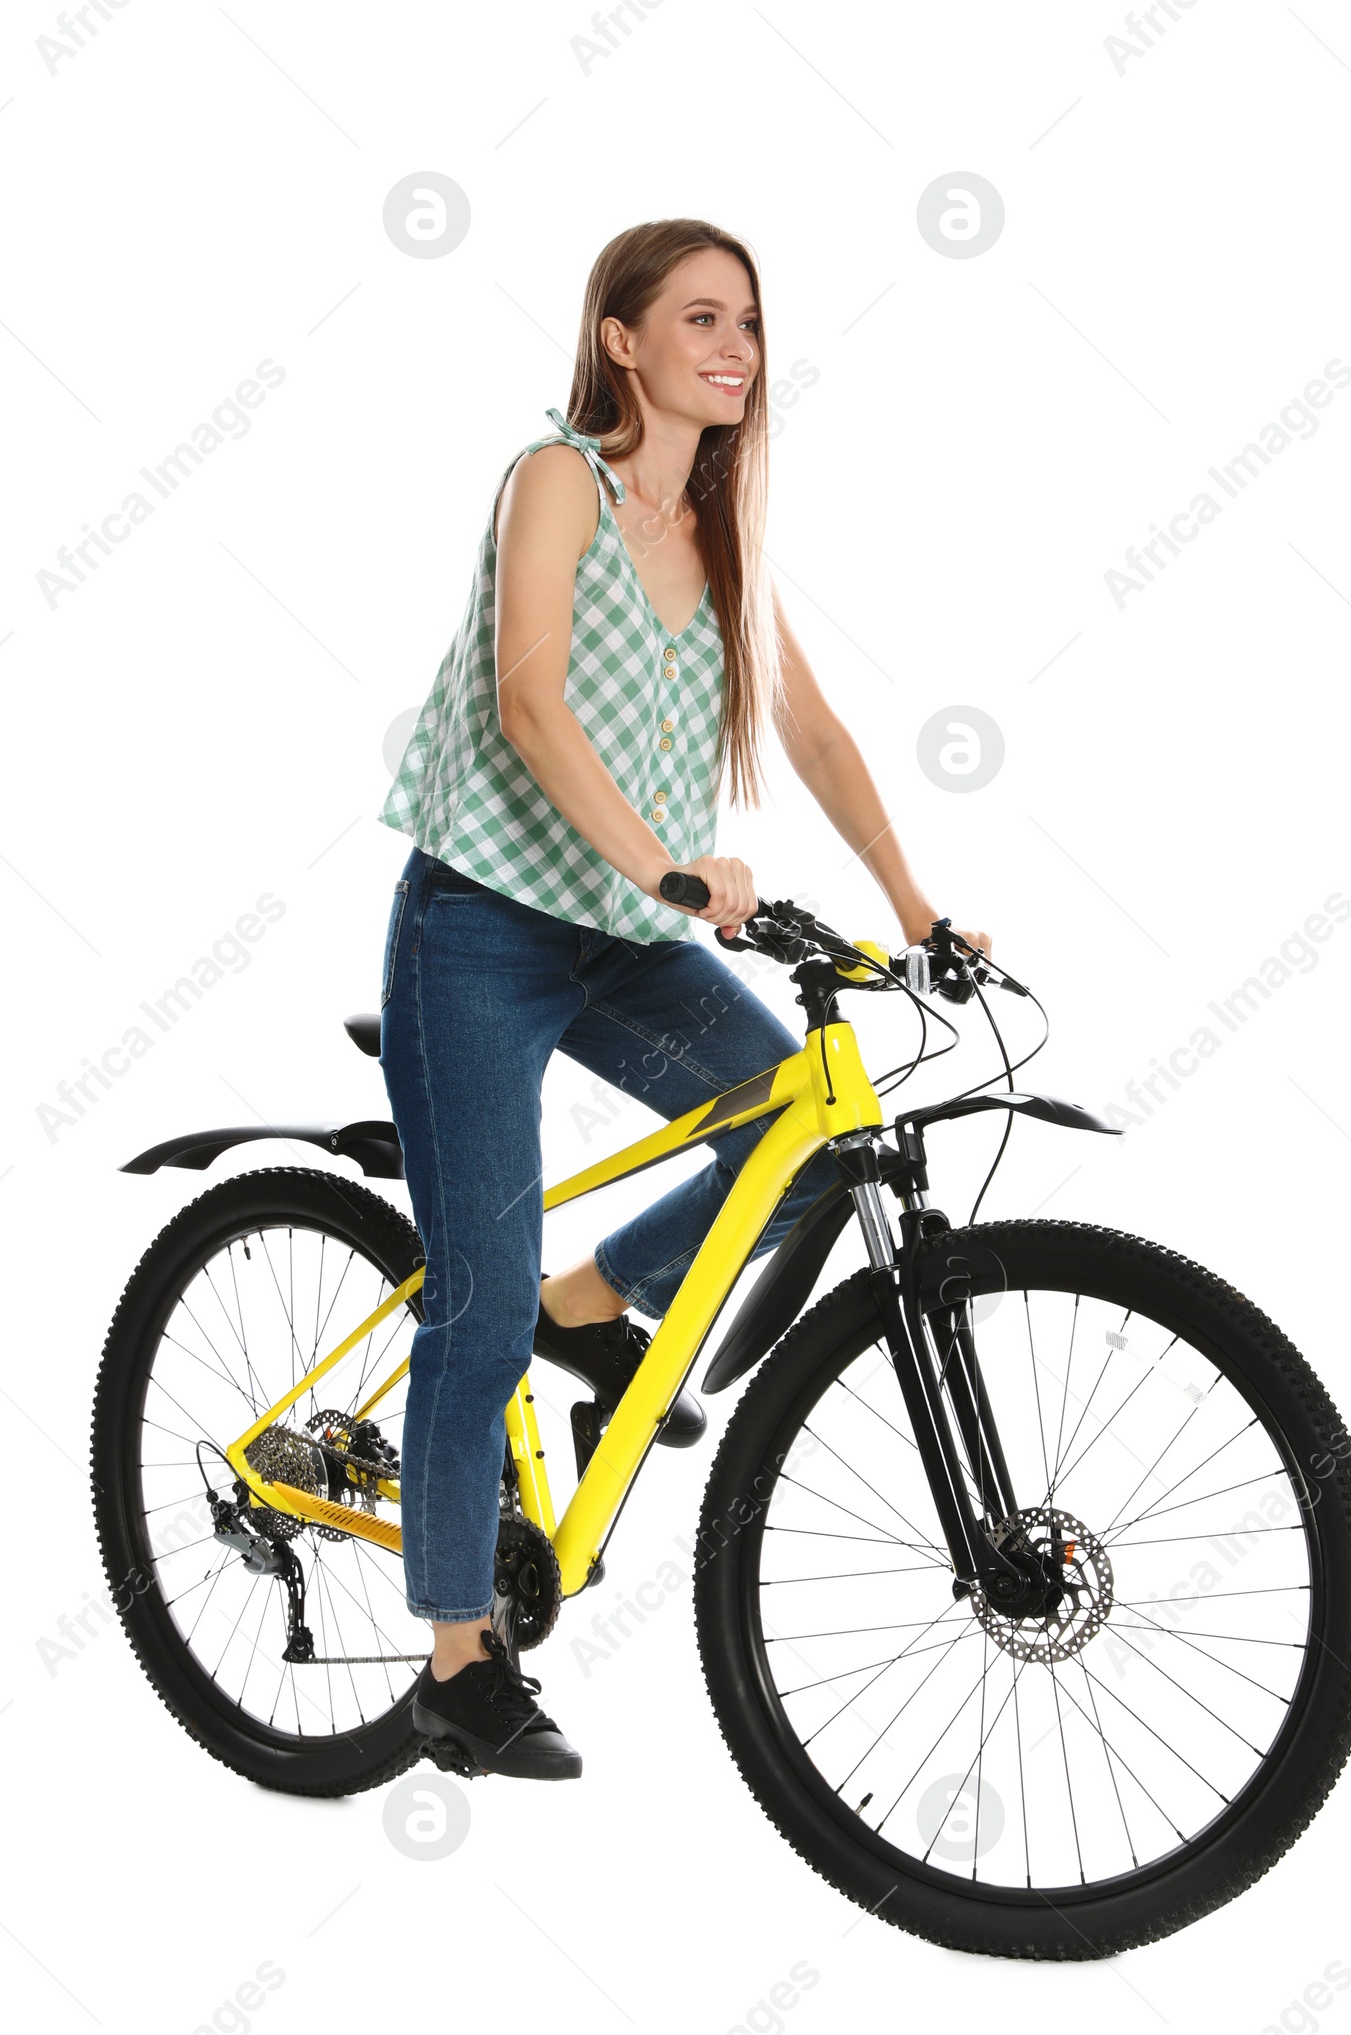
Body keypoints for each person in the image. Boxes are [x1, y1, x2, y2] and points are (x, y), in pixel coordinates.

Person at [375, 217, 991, 1781]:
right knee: (470, 1305)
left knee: (792, 1134)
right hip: (483, 932)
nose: (736, 346)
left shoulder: (723, 530)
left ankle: (585, 1311)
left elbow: (817, 728)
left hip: (626, 936)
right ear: (624, 340)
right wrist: (664, 862)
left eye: (752, 322)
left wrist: (921, 912)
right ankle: (458, 1657)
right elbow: (526, 693)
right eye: (700, 318)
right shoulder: (552, 482)